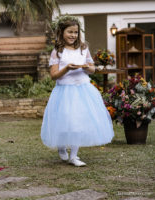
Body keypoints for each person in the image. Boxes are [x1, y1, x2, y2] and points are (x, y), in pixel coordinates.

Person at [41, 15, 114, 167]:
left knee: (78, 123)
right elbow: (54, 76)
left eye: (75, 32)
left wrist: (88, 67)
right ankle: (61, 146)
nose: (73, 35)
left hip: (83, 90)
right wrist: (67, 68)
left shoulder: (83, 48)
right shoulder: (57, 52)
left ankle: (73, 156)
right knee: (64, 122)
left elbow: (92, 69)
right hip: (64, 91)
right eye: (70, 32)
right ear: (61, 32)